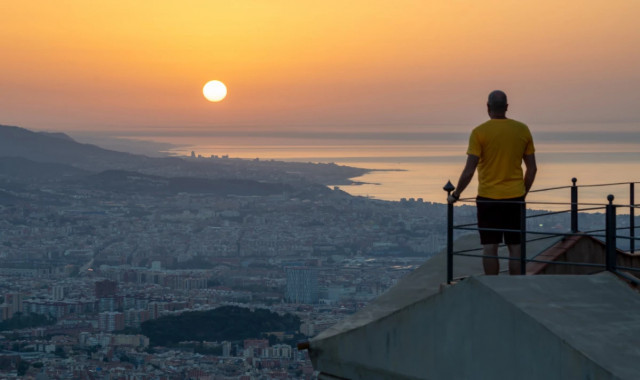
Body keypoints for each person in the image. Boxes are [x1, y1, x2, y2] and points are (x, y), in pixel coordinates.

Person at [448, 90, 537, 275]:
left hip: (488, 198)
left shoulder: (479, 133)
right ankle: (516, 286)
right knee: (515, 247)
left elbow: (469, 171)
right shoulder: (522, 130)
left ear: (488, 107)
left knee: (490, 247)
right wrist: (522, 192)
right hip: (515, 197)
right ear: (506, 107)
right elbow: (532, 169)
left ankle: (493, 285)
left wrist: (456, 194)